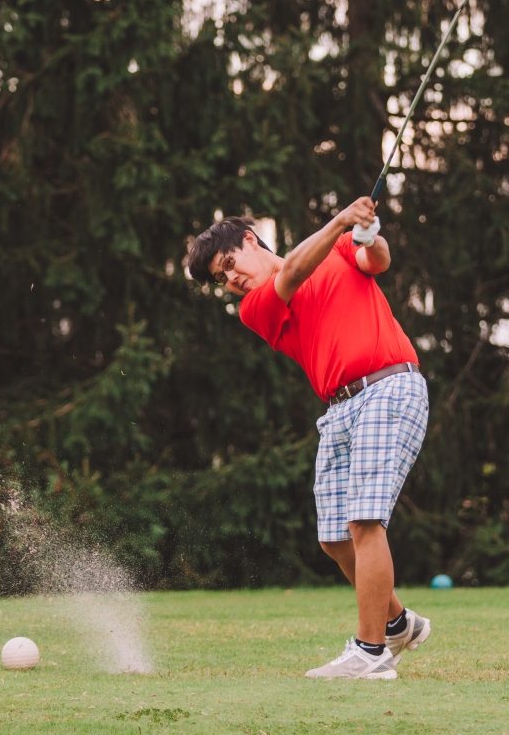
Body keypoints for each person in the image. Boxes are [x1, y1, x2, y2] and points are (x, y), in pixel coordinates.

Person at [187, 197, 431, 680]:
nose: (231, 281)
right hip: (340, 409)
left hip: (389, 385)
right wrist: (342, 220)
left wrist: (367, 233)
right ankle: (398, 622)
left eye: (230, 264)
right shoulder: (256, 306)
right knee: (335, 538)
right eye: (221, 279)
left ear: (251, 241)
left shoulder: (339, 249)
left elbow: (377, 259)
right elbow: (293, 272)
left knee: (364, 522)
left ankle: (372, 654)